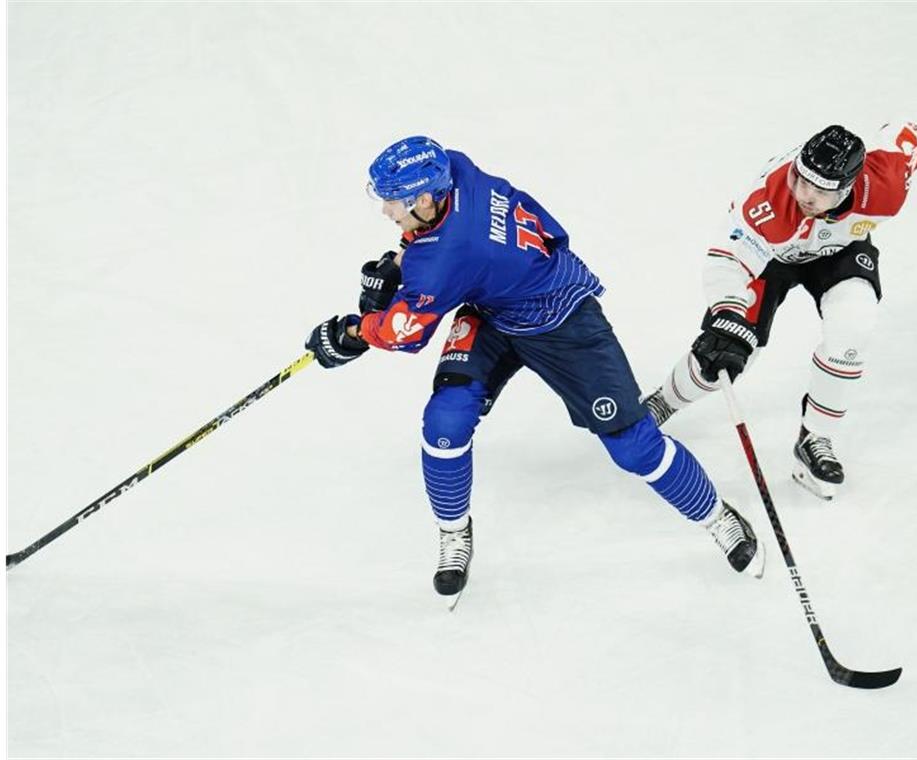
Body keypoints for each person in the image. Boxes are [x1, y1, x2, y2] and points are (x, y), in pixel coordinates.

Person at [305, 136, 764, 606]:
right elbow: (429, 246)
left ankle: (716, 516)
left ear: (424, 197)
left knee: (633, 445)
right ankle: (454, 532)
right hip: (494, 308)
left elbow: (405, 332)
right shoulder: (455, 168)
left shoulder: (447, 257)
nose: (386, 211)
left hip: (564, 320)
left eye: (392, 203)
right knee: (445, 422)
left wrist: (352, 333)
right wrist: (397, 262)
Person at [641, 122, 917, 500]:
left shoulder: (885, 184)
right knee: (723, 357)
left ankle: (816, 438)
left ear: (847, 187)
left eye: (820, 190)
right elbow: (727, 261)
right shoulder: (769, 201)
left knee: (855, 323)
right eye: (801, 180)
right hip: (769, 258)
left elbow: (913, 141)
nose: (804, 195)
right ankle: (663, 401)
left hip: (839, 249)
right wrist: (730, 314)